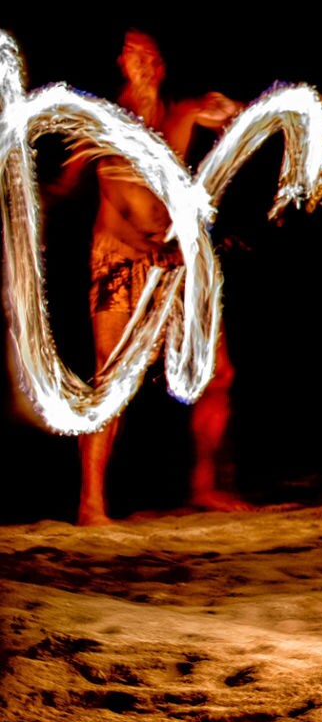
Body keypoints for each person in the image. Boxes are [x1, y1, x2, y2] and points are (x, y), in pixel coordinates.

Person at [54, 30, 246, 525]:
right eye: (131, 55)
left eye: (149, 55)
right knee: (112, 382)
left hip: (175, 261)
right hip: (119, 261)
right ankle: (91, 504)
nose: (141, 63)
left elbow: (242, 118)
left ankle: (205, 486)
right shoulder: (103, 122)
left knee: (218, 373)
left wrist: (245, 115)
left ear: (161, 64)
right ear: (121, 63)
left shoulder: (182, 113)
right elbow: (73, 184)